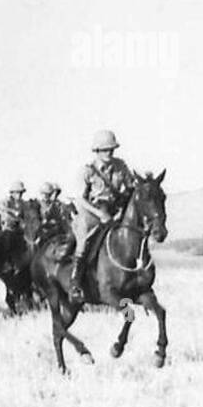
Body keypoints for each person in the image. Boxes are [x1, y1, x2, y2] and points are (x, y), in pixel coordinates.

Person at [70, 129, 133, 301]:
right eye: (105, 150)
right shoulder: (87, 171)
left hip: (114, 209)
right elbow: (80, 199)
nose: (109, 153)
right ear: (96, 151)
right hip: (92, 211)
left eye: (111, 149)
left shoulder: (121, 166)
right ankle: (75, 283)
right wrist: (99, 213)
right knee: (85, 238)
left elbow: (130, 188)